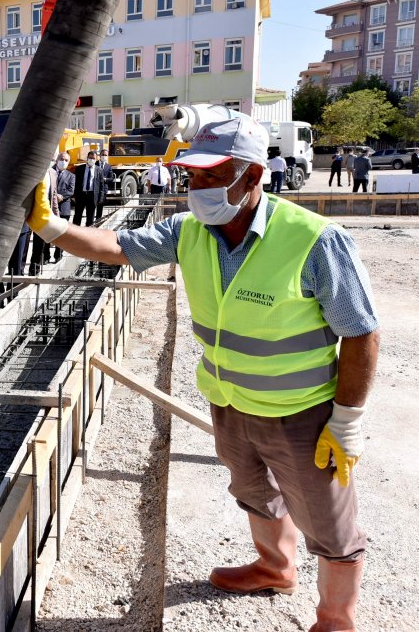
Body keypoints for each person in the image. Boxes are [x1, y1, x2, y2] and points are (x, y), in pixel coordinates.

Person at [26, 112, 378, 632]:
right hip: (230, 402)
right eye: (192, 176)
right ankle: (275, 568)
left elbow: (362, 334)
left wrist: (346, 420)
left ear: (252, 176)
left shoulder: (314, 240)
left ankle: (336, 619)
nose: (196, 188)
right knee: (254, 492)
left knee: (329, 523)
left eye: (211, 177)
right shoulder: (190, 230)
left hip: (300, 414)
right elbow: (117, 249)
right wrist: (49, 227)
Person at [29, 150, 60, 274]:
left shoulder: (52, 173)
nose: (51, 161)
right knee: (24, 245)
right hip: (28, 211)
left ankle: (34, 269)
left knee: (39, 243)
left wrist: (56, 214)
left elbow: (53, 195)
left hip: (43, 213)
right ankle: (18, 272)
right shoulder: (33, 171)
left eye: (52, 159)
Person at [53, 151, 75, 262]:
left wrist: (60, 196)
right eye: (62, 159)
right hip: (50, 208)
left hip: (64, 208)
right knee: (49, 232)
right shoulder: (49, 172)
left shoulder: (71, 176)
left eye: (66, 160)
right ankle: (45, 255)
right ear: (57, 159)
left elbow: (71, 191)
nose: (63, 162)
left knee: (61, 233)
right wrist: (54, 196)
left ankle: (58, 254)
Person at [72, 150, 105, 226]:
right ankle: (76, 233)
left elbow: (101, 185)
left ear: (96, 159)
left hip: (92, 196)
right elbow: (75, 183)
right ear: (87, 158)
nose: (92, 160)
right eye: (90, 158)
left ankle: (88, 232)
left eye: (94, 158)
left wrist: (100, 198)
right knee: (77, 216)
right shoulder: (80, 169)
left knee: (90, 217)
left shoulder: (99, 170)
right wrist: (73, 195)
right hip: (81, 195)